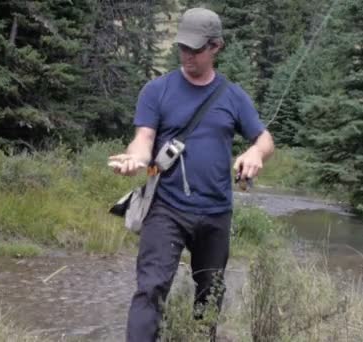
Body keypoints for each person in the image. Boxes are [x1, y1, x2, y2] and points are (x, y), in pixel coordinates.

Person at [108, 7, 275, 342]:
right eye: (183, 47)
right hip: (166, 208)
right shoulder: (157, 90)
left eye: (196, 49)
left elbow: (264, 139)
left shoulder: (233, 96)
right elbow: (144, 139)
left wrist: (256, 153)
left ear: (216, 47)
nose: (187, 55)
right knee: (151, 287)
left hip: (216, 212)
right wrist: (135, 159)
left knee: (210, 290)